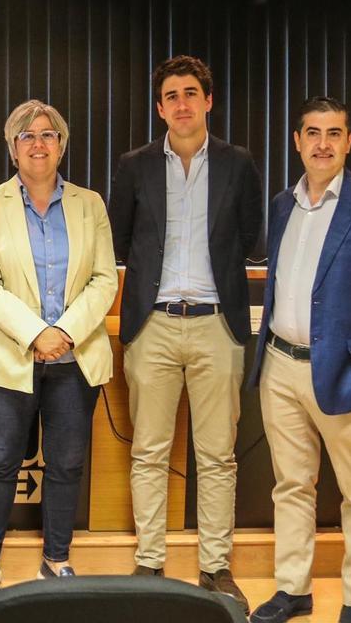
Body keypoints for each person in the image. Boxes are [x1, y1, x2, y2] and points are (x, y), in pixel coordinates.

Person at [247, 97, 351, 623]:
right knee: (291, 486)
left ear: (349, 142)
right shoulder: (282, 205)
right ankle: (294, 589)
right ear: (297, 141)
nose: (323, 143)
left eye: (334, 133)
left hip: (348, 375)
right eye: (313, 132)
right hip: (280, 365)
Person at [108, 55, 261, 612]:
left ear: (208, 101)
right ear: (160, 107)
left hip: (218, 325)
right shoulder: (134, 165)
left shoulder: (239, 164)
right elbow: (121, 240)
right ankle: (149, 562)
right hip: (153, 326)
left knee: (217, 456)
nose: (182, 103)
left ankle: (215, 567)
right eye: (171, 95)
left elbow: (249, 237)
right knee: (149, 450)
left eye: (191, 93)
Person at [0, 100, 117, 591]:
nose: (38, 143)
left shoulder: (90, 204)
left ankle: (56, 558)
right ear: (12, 148)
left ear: (62, 145)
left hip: (75, 359)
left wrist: (65, 333)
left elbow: (103, 279)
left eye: (48, 135)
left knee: (67, 463)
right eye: (27, 136)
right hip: (8, 356)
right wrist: (36, 334)